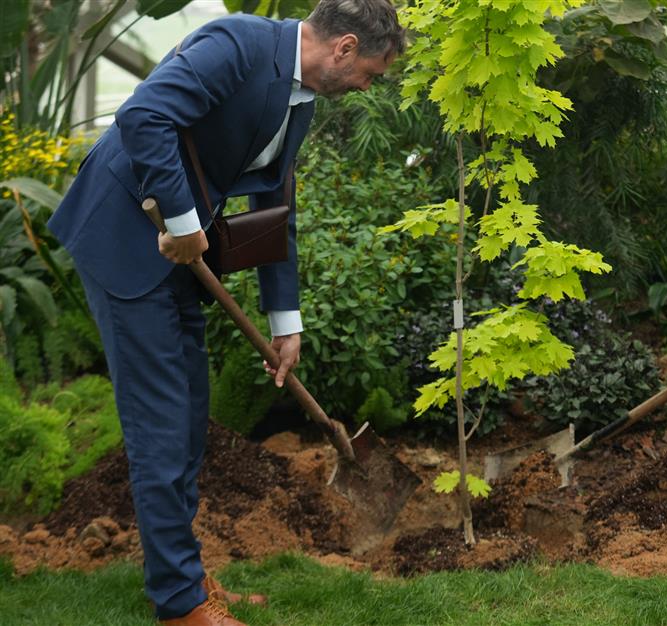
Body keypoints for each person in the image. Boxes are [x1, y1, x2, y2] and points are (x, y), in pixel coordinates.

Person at [48, 1, 403, 624]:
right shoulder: (237, 44)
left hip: (179, 253)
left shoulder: (300, 99)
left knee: (189, 415)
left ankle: (185, 577)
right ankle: (182, 604)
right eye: (372, 72)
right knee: (161, 424)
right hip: (129, 238)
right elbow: (144, 115)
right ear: (345, 48)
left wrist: (284, 323)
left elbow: (273, 204)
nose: (368, 86)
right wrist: (184, 224)